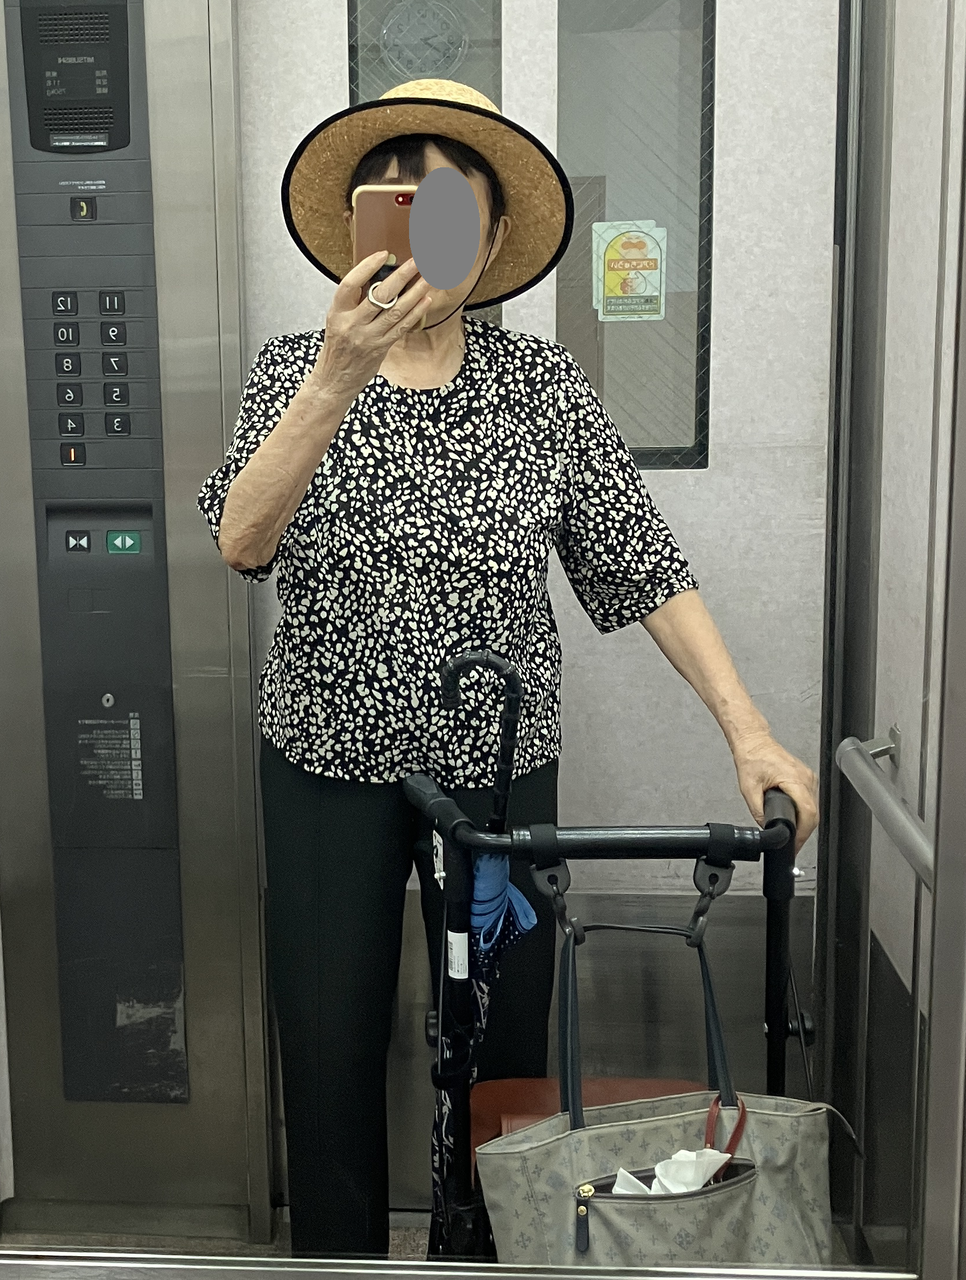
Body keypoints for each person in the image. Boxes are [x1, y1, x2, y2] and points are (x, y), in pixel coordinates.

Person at [198, 78, 819, 1259]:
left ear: (486, 245)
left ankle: (489, 1259)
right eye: (396, 207)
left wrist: (748, 728)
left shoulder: (541, 387)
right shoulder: (292, 370)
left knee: (502, 1054)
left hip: (499, 782)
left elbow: (644, 565)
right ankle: (338, 1261)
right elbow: (242, 540)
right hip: (322, 765)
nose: (419, 240)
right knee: (326, 1047)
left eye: (447, 215)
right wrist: (335, 377)